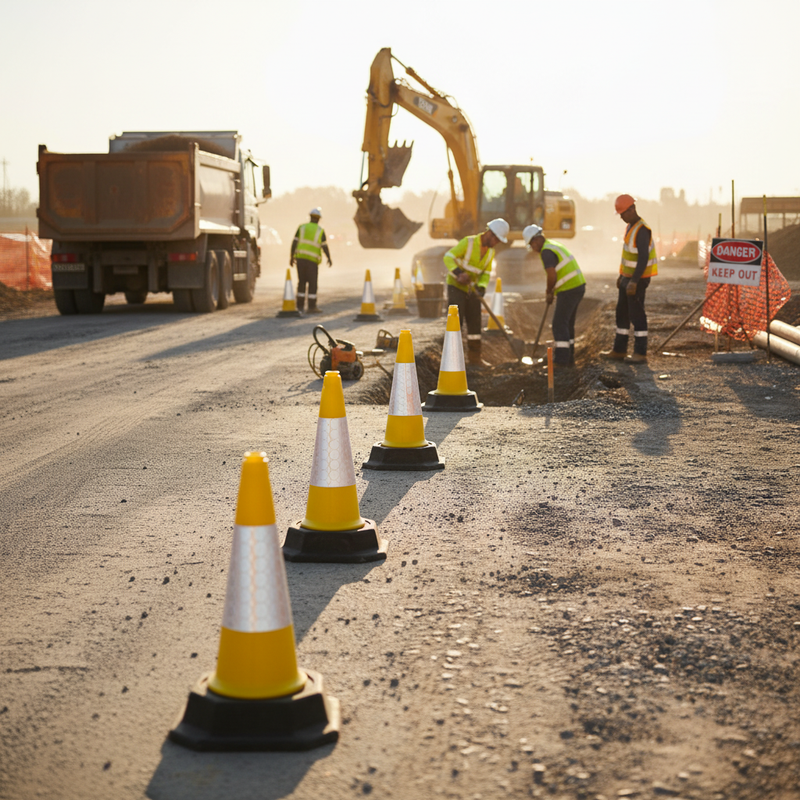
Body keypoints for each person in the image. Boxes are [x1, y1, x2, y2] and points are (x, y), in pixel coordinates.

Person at [443, 218, 510, 365]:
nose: (497, 243)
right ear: (490, 234)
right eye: (497, 240)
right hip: (456, 287)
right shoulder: (469, 242)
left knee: (475, 322)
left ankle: (475, 358)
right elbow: (448, 257)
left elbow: (485, 274)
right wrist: (459, 273)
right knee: (456, 321)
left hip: (472, 290)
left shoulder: (490, 252)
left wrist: (481, 287)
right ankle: (452, 360)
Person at [601, 194, 658, 363]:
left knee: (637, 314)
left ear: (632, 209)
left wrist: (633, 281)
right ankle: (619, 350)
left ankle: (640, 353)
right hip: (628, 278)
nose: (621, 217)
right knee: (622, 312)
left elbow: (643, 258)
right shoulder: (630, 227)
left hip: (638, 279)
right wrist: (622, 277)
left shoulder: (642, 230)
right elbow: (628, 256)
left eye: (623, 213)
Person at [522, 224, 586, 366]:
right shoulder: (552, 245)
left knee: (558, 323)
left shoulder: (546, 251)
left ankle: (561, 360)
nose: (533, 249)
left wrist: (549, 291)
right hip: (577, 286)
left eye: (532, 245)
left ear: (536, 240)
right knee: (567, 323)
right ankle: (569, 358)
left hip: (569, 289)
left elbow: (551, 275)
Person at [290, 207, 332, 313]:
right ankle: (312, 307)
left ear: (310, 217)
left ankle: (299, 306)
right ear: (318, 219)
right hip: (312, 261)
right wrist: (329, 258)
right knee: (312, 284)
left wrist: (291, 256)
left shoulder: (302, 227)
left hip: (300, 259)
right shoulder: (320, 230)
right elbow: (324, 246)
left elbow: (294, 243)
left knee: (301, 282)